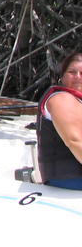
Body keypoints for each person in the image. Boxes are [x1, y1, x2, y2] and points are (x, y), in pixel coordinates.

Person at [37, 51, 82, 189]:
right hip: (69, 179)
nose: (78, 77)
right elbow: (74, 141)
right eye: (72, 72)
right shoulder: (61, 99)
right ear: (62, 77)